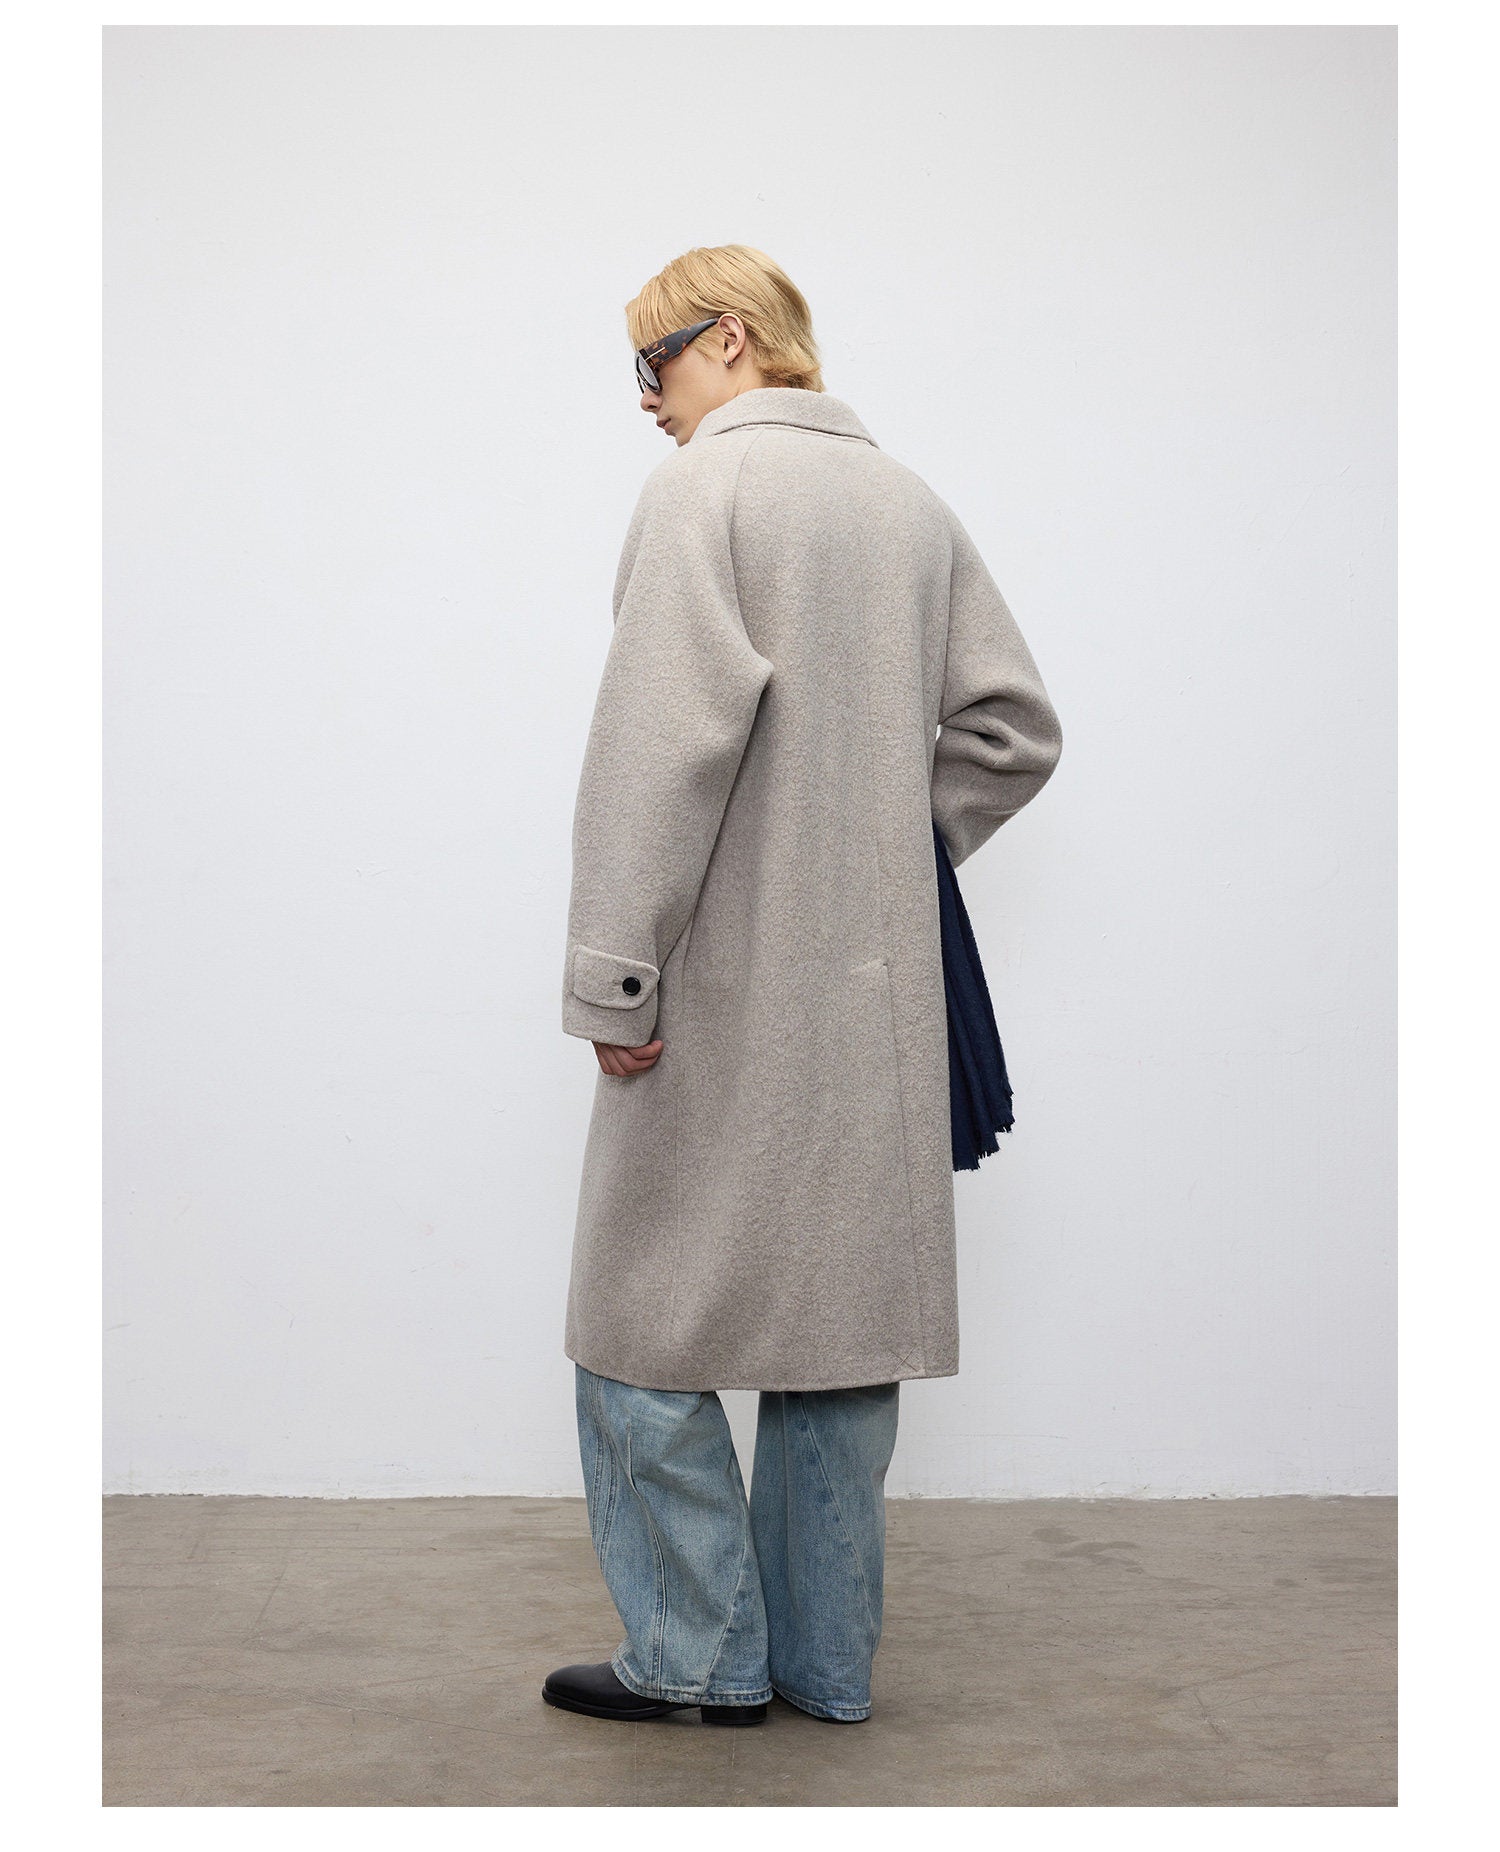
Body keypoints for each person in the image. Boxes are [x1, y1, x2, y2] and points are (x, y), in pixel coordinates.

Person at [544, 245, 1063, 1726]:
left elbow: (657, 758)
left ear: (727, 339)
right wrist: (887, 849)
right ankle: (826, 1667)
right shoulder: (908, 503)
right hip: (876, 998)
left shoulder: (703, 491)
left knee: (633, 1328)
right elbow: (1014, 729)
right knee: (836, 1331)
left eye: (652, 364)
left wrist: (615, 981)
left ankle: (699, 1655)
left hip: (719, 986)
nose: (646, 400)